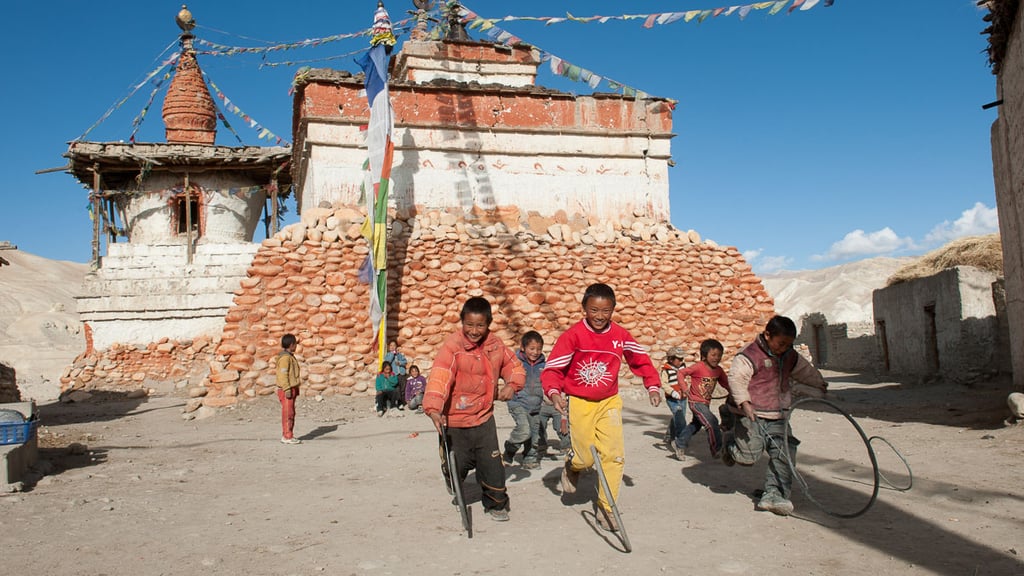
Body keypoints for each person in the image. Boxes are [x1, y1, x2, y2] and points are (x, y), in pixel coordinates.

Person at [541, 283, 662, 532]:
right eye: (594, 310)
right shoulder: (573, 336)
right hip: (581, 402)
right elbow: (553, 369)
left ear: (613, 310)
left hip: (609, 402)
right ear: (584, 309)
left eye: (605, 310)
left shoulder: (620, 336)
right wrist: (554, 393)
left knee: (614, 455)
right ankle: (572, 465)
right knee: (585, 458)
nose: (599, 316)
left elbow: (640, 359)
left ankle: (606, 509)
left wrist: (652, 385)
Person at [423, 296, 526, 522]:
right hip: (455, 421)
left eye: (480, 325)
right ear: (462, 322)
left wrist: (512, 384)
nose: (474, 330)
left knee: (492, 466)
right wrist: (433, 408)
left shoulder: (495, 345)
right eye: (469, 324)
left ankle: (495, 504)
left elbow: (514, 366)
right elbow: (440, 378)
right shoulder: (452, 347)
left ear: (488, 324)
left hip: (483, 419)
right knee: (457, 465)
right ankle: (451, 473)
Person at [721, 315, 828, 516]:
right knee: (748, 456)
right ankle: (729, 443)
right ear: (768, 335)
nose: (784, 348)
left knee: (784, 452)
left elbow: (804, 371)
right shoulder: (749, 354)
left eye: (788, 344)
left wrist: (818, 383)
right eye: (781, 343)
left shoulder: (789, 355)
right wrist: (745, 403)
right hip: (749, 413)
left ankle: (774, 495)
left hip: (778, 414)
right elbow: (737, 379)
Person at [675, 339, 730, 460]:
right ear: (704, 356)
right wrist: (684, 388)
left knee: (696, 425)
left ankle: (679, 443)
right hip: (695, 402)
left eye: (719, 355)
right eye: (713, 355)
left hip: (705, 403)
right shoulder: (698, 367)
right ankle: (717, 449)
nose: (717, 358)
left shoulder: (718, 371)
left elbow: (727, 384)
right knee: (712, 422)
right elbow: (680, 373)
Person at [503, 331, 546, 469]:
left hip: (535, 405)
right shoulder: (516, 363)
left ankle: (530, 459)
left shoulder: (543, 365)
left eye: (539, 349)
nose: (535, 352)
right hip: (518, 402)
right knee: (524, 430)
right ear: (523, 348)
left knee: (534, 435)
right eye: (532, 349)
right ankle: (509, 450)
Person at [660, 346, 688, 460]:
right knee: (679, 414)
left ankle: (668, 435)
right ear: (671, 359)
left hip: (683, 397)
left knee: (679, 416)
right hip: (672, 398)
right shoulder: (666, 370)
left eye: (682, 359)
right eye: (679, 359)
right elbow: (664, 384)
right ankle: (679, 441)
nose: (681, 361)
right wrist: (672, 392)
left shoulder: (683, 367)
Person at [276, 333, 302, 445]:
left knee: (291, 413)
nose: (296, 346)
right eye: (295, 344)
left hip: (291, 388)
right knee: (288, 414)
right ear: (291, 345)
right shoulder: (285, 358)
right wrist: (286, 389)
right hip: (287, 389)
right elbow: (283, 375)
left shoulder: (289, 356)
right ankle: (287, 436)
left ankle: (289, 434)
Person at [384, 341, 408, 409]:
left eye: (394, 345)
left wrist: (400, 363)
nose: (392, 347)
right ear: (389, 347)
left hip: (401, 373)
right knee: (397, 389)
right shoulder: (388, 355)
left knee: (403, 388)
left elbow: (405, 361)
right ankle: (398, 402)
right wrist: (392, 354)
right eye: (391, 345)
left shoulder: (399, 354)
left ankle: (403, 402)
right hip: (394, 374)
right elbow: (387, 362)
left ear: (396, 347)